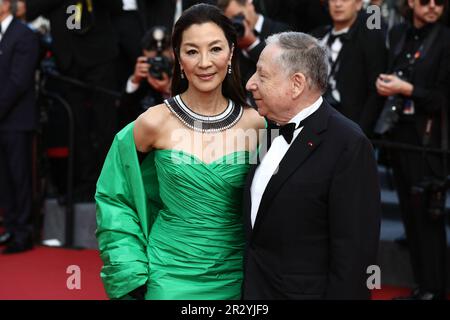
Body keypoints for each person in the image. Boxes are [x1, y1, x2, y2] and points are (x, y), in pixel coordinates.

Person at [95, 4, 265, 300]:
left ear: (231, 53)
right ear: (178, 58)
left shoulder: (259, 125)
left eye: (215, 49)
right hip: (168, 275)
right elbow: (114, 196)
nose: (204, 63)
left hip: (239, 276)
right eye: (191, 51)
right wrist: (129, 268)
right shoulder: (152, 122)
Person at [243, 31, 381, 299]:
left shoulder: (348, 145)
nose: (250, 83)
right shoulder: (265, 128)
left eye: (262, 75)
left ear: (296, 84)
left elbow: (354, 255)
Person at [375, 0, 450, 300]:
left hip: (429, 143)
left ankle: (434, 289)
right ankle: (422, 286)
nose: (432, 6)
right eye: (425, 0)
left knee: (428, 219)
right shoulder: (397, 33)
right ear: (409, 2)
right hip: (399, 137)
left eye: (440, 2)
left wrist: (406, 90)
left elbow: (442, 97)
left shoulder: (445, 39)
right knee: (410, 216)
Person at [311, 0, 387, 137]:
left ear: (358, 4)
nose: (338, 4)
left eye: (345, 0)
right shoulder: (317, 36)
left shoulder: (370, 37)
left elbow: (376, 90)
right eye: (333, 0)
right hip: (316, 123)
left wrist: (361, 131)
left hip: (352, 125)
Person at [0, 0, 39, 254]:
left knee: (20, 176)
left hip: (17, 120)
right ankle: (12, 227)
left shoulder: (24, 34)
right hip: (4, 120)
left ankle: (24, 232)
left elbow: (19, 81)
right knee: (4, 178)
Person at [217, 0, 289, 98]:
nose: (236, 23)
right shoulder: (230, 43)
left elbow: (284, 69)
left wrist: (252, 44)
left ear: (249, 4)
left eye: (239, 16)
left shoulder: (282, 31)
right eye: (230, 22)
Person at [118, 26, 174, 128]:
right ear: (143, 54)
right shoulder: (141, 79)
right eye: (153, 61)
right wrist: (134, 82)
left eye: (163, 60)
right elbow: (123, 118)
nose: (158, 64)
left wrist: (168, 90)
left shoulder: (184, 77)